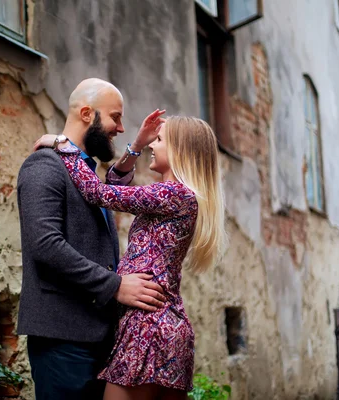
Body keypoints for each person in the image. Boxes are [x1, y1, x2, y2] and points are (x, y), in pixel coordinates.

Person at [44, 116, 227, 400]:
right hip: (166, 327)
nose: (154, 145)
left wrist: (62, 144)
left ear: (180, 150)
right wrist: (136, 146)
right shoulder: (179, 196)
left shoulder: (171, 192)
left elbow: (98, 192)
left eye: (160, 140)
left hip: (147, 327)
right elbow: (116, 185)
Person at [16, 78, 168, 400]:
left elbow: (114, 187)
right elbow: (45, 245)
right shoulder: (44, 165)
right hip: (63, 339)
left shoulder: (85, 173)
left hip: (97, 337)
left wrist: (138, 146)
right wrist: (116, 285)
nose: (121, 128)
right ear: (87, 114)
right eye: (116, 117)